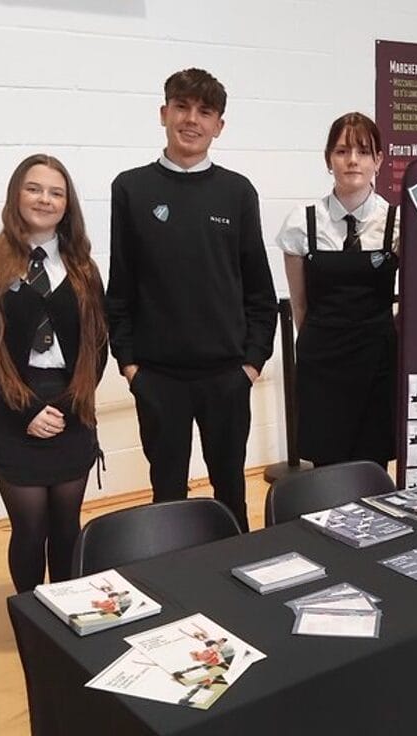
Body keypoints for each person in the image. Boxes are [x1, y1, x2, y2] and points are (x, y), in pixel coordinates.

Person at [106, 68, 277, 532]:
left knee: (231, 491)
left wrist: (251, 364)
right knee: (167, 497)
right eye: (181, 107)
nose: (191, 119)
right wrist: (130, 366)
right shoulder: (131, 188)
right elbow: (120, 287)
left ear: (219, 125)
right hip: (158, 378)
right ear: (164, 113)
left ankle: (238, 575)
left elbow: (259, 291)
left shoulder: (237, 192)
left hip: (227, 376)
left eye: (205, 111)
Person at [0, 154, 107, 593]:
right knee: (29, 526)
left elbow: (97, 345)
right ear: (16, 195)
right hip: (10, 405)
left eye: (56, 193)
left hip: (70, 405)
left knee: (66, 525)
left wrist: (69, 405)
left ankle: (66, 608)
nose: (45, 199)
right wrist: (25, 409)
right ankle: (31, 614)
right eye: (34, 188)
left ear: (67, 204)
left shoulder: (82, 267)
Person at [276, 112, 400, 470]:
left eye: (363, 151)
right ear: (328, 159)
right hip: (322, 364)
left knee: (372, 469)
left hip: (377, 362)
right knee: (327, 470)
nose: (352, 161)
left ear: (378, 160)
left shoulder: (397, 223)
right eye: (342, 151)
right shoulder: (302, 223)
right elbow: (300, 306)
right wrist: (321, 343)